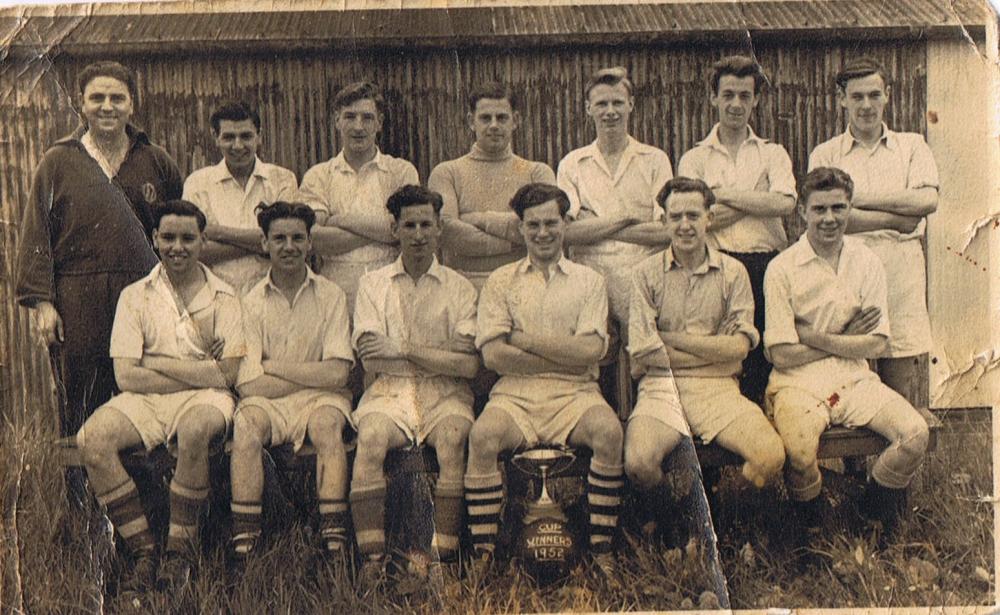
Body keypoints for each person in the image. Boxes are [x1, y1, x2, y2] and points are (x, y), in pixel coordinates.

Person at [15, 61, 183, 480]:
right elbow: (37, 232)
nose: (107, 107)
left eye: (117, 98)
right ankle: (85, 513)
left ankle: (147, 500)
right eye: (97, 98)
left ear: (132, 105)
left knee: (144, 393)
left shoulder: (155, 161)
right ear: (81, 104)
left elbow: (180, 230)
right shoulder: (58, 161)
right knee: (82, 399)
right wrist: (42, 305)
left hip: (145, 298)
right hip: (79, 297)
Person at [75, 200, 244, 595]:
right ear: (154, 239)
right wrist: (194, 368)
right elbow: (126, 375)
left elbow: (227, 375)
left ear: (202, 241)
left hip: (207, 399)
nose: (177, 247)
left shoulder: (225, 296)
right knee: (91, 440)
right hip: (147, 399)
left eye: (188, 238)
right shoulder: (135, 296)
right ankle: (144, 551)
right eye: (168, 237)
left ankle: (179, 554)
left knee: (195, 429)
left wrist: (155, 360)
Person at [466, 182, 624, 580]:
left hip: (577, 393)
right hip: (514, 396)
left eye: (551, 223)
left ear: (565, 223)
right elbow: (493, 356)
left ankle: (602, 548)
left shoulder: (590, 280)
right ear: (520, 228)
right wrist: (561, 354)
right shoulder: (501, 281)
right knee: (483, 437)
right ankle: (483, 552)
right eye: (533, 224)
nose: (542, 233)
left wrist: (522, 340)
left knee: (608, 432)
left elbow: (591, 352)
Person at [764, 167, 930, 535]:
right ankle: (812, 536)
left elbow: (877, 343)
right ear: (803, 211)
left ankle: (870, 512)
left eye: (838, 208)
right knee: (801, 454)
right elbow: (780, 355)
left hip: (854, 380)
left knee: (915, 434)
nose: (829, 219)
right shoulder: (781, 268)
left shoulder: (867, 261)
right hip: (797, 386)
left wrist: (816, 337)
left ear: (849, 208)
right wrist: (845, 336)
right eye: (819, 209)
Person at [625, 177, 785, 536]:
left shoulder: (734, 272)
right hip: (662, 390)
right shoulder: (645, 275)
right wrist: (715, 353)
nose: (684, 225)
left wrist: (670, 340)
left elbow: (739, 350)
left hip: (719, 391)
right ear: (663, 220)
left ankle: (725, 518)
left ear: (709, 218)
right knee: (638, 462)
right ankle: (679, 524)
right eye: (675, 216)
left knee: (770, 456)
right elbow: (643, 354)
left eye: (693, 215)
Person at [349, 185, 479, 593]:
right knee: (370, 439)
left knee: (454, 440)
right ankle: (372, 559)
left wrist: (402, 348)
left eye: (427, 224)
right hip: (389, 392)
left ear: (439, 228)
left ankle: (443, 559)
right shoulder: (373, 285)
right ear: (395, 229)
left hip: (446, 394)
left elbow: (466, 365)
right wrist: (437, 354)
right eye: (410, 225)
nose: (419, 234)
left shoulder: (460, 287)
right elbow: (372, 360)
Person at [227, 201, 354, 573]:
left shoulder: (331, 295)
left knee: (328, 428)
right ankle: (245, 548)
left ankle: (334, 545)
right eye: (279, 238)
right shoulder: (249, 302)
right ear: (264, 243)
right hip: (269, 402)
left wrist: (275, 367)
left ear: (310, 243)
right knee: (246, 425)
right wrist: (307, 371)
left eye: (298, 238)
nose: (289, 246)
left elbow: (338, 375)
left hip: (322, 399)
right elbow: (248, 385)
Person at [807, 58, 939, 408]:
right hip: (846, 272)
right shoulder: (826, 153)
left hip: (901, 272)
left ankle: (895, 460)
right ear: (842, 100)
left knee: (898, 380)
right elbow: (830, 220)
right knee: (848, 378)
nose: (866, 105)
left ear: (887, 96)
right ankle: (854, 466)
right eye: (857, 96)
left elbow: (927, 200)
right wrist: (895, 220)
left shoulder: (912, 146)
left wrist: (858, 199)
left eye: (874, 95)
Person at [677, 55, 796, 404]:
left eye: (745, 95)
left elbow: (784, 204)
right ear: (713, 97)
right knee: (721, 355)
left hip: (765, 266)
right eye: (728, 94)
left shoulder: (772, 153)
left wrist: (722, 196)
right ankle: (714, 456)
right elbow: (695, 217)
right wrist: (757, 198)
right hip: (717, 268)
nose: (736, 104)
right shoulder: (694, 158)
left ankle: (766, 452)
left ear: (756, 99)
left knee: (761, 360)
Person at [557, 66, 674, 327]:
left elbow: (665, 232)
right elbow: (566, 233)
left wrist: (597, 225)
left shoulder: (655, 160)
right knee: (596, 361)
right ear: (589, 108)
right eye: (601, 104)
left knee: (643, 362)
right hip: (589, 280)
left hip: (644, 281)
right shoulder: (572, 164)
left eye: (617, 102)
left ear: (631, 105)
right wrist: (628, 218)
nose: (610, 111)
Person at [300, 81, 419, 311]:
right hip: (335, 291)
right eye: (350, 117)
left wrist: (340, 220)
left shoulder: (401, 171)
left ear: (379, 122)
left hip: (391, 290)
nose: (358, 126)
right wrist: (384, 230)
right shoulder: (319, 176)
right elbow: (314, 239)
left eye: (367, 117)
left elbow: (408, 230)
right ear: (337, 121)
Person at [428, 82, 556, 291]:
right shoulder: (447, 173)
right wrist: (518, 240)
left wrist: (477, 219)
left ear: (515, 121)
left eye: (502, 117)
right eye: (486, 118)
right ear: (471, 121)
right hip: (464, 287)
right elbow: (447, 232)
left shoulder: (537, 172)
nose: (494, 125)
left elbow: (546, 228)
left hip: (524, 286)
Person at [182, 101, 299, 295]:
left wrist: (218, 233)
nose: (238, 145)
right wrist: (265, 243)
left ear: (259, 136)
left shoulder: (282, 179)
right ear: (216, 138)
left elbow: (289, 242)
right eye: (229, 137)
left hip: (271, 296)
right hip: (216, 299)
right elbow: (195, 252)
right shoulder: (197, 184)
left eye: (246, 136)